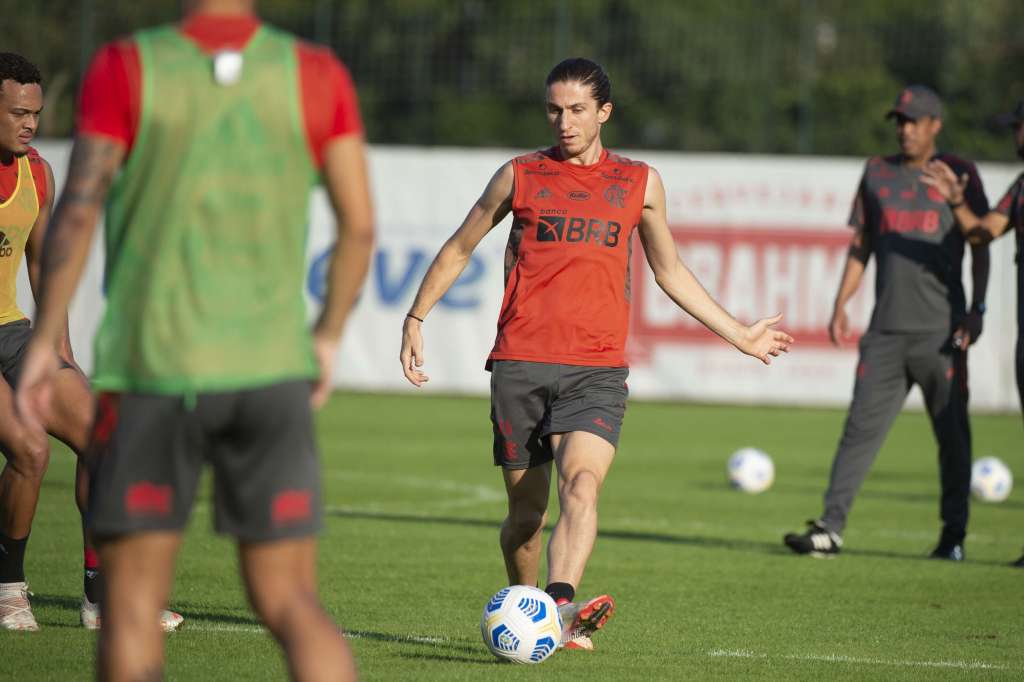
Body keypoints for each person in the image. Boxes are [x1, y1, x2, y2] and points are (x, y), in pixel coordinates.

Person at [15, 0, 374, 679]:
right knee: (291, 599)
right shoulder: (315, 71)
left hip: (153, 372)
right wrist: (326, 337)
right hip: (269, 373)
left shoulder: (127, 66)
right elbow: (358, 227)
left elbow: (81, 207)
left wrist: (42, 345)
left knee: (129, 607)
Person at [399, 57, 793, 651]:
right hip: (520, 365)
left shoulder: (640, 182)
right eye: (554, 110)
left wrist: (740, 334)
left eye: (577, 109)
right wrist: (415, 316)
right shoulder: (519, 174)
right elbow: (459, 246)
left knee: (581, 486)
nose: (564, 121)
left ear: (604, 112)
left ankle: (558, 609)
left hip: (597, 370)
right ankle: (527, 609)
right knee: (525, 521)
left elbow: (671, 272)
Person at [0, 52, 180, 633]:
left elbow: (44, 270)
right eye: (17, 113)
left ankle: (101, 599)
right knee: (29, 450)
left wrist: (63, 350)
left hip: (15, 333)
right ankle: (8, 589)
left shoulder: (37, 174)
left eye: (36, 113)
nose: (30, 124)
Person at [783, 85, 990, 561]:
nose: (905, 128)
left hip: (943, 333)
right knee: (859, 431)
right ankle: (829, 528)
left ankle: (953, 537)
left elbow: (980, 244)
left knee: (952, 435)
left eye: (915, 120)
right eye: (900, 120)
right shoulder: (877, 173)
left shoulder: (960, 174)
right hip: (886, 334)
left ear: (935, 124)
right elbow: (863, 243)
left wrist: (977, 311)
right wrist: (841, 301)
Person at [921, 98, 1024, 568]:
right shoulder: (1022, 189)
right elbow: (982, 234)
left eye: (1019, 127)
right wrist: (957, 201)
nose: (1015, 136)